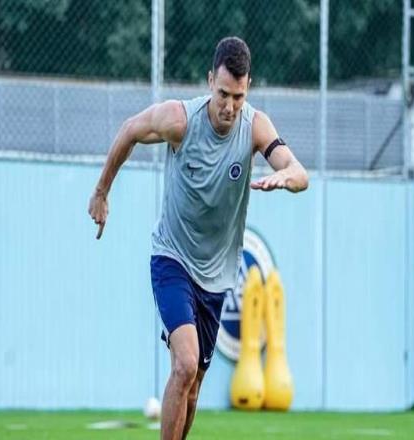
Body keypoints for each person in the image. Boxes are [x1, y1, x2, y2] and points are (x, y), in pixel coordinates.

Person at [88, 36, 308, 440]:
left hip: (217, 276)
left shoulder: (255, 126)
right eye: (223, 94)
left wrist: (286, 177)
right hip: (172, 259)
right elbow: (129, 130)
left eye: (238, 97)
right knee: (185, 364)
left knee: (193, 389)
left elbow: (298, 171)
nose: (229, 107)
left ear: (248, 88)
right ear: (210, 81)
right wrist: (102, 191)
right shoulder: (180, 120)